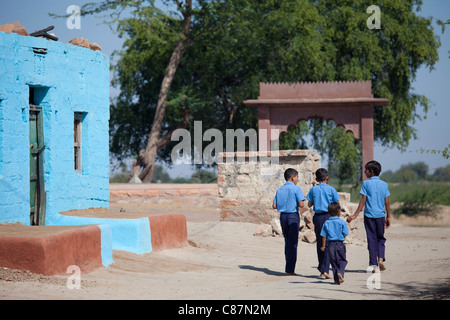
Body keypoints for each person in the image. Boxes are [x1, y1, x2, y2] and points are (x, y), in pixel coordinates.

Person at [347, 160, 391, 272]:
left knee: (371, 239)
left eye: (366, 170)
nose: (365, 172)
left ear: (371, 171)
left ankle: (374, 265)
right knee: (380, 238)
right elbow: (386, 201)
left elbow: (363, 200)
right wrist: (388, 216)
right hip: (381, 216)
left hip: (369, 216)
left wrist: (355, 215)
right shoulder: (384, 184)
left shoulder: (366, 183)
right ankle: (380, 259)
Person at [306, 168, 340, 279]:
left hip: (318, 218)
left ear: (316, 179)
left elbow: (309, 204)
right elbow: (337, 203)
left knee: (320, 242)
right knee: (329, 242)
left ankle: (321, 268)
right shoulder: (331, 189)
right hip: (329, 217)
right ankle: (325, 270)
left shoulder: (313, 189)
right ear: (327, 178)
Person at [273, 168, 305, 275]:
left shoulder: (279, 189)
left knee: (287, 241)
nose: (297, 180)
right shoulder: (296, 189)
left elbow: (274, 205)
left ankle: (288, 266)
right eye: (297, 177)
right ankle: (290, 269)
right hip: (292, 216)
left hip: (283, 217)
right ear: (292, 177)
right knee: (293, 243)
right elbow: (301, 204)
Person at [320, 202, 349, 285]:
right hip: (340, 244)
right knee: (342, 260)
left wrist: (323, 246)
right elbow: (346, 233)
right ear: (339, 212)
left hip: (330, 245)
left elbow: (324, 235)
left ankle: (336, 281)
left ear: (328, 213)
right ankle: (340, 272)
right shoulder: (342, 222)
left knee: (333, 263)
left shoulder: (326, 223)